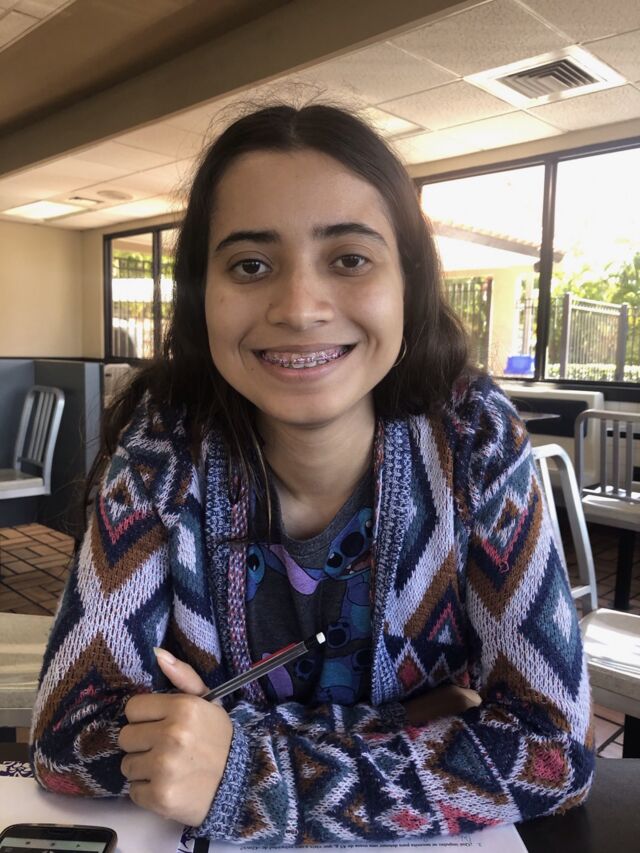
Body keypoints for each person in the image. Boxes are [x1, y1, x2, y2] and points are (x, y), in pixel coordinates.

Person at [30, 103, 594, 844]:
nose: (299, 308)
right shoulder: (162, 448)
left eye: (350, 259)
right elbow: (67, 741)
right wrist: (416, 722)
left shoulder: (475, 440)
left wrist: (244, 766)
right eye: (250, 265)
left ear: (408, 282)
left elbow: (553, 755)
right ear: (202, 295)